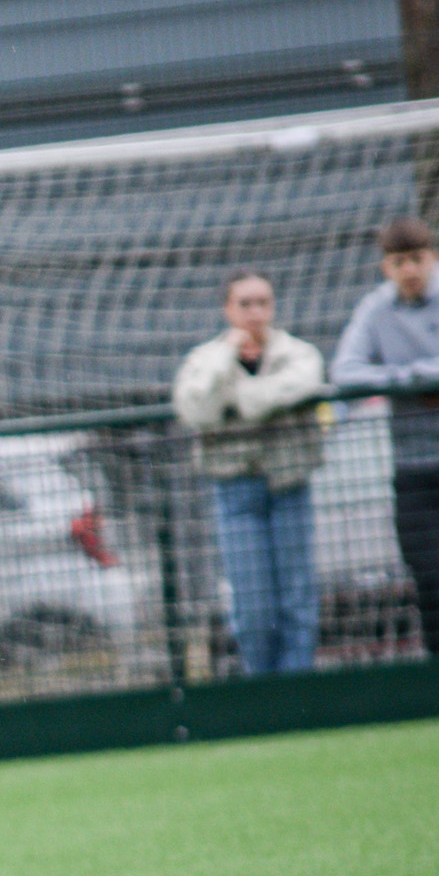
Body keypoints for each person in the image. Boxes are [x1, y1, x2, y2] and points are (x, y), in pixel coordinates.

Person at [331, 216, 439, 655]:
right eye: (399, 261)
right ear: (387, 266)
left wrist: (415, 377)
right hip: (412, 470)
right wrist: (412, 382)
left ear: (433, 258)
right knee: (428, 574)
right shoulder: (374, 310)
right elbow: (345, 372)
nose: (410, 270)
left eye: (417, 259)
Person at [172, 270, 327, 675]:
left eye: (263, 303)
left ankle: (298, 691)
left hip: (289, 485)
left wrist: (237, 403)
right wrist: (226, 359)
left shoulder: (297, 352)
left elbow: (303, 384)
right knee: (253, 605)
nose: (255, 313)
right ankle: (264, 690)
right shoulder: (205, 359)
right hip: (235, 490)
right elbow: (195, 410)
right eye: (245, 304)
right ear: (228, 309)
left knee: (297, 597)